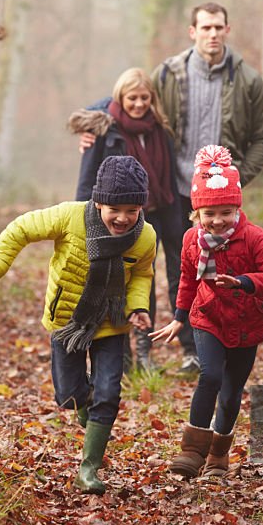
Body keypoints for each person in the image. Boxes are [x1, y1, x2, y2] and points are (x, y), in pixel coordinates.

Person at [81, 2, 263, 376]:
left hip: (217, 197)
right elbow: (127, 97)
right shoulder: (169, 73)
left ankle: (198, 348)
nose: (213, 34)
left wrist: (237, 178)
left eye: (219, 27)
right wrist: (91, 123)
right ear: (193, 32)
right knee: (150, 266)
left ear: (227, 29)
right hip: (168, 190)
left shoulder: (247, 80)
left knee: (201, 270)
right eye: (205, 27)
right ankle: (144, 348)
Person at [0, 155, 157, 495]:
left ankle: (88, 469)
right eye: (115, 209)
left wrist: (137, 308)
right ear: (99, 201)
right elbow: (21, 229)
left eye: (132, 210)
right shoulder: (69, 216)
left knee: (109, 393)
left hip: (112, 324)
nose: (123, 218)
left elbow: (141, 276)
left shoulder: (145, 237)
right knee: (70, 395)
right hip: (67, 322)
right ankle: (90, 417)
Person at [151, 145, 263, 479]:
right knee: (210, 375)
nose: (217, 220)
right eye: (209, 213)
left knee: (230, 395)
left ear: (237, 209)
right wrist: (178, 317)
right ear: (196, 214)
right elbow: (186, 279)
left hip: (247, 324)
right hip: (208, 317)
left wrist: (245, 281)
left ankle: (218, 455)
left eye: (226, 212)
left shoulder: (253, 238)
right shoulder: (190, 241)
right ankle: (192, 451)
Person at [68, 68, 185, 373]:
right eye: (132, 98)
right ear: (120, 97)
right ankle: (122, 357)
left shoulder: (159, 130)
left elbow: (168, 177)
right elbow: (87, 180)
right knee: (117, 283)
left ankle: (145, 351)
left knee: (146, 281)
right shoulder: (104, 129)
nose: (138, 104)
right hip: (115, 220)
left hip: (155, 215)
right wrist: (85, 220)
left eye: (144, 98)